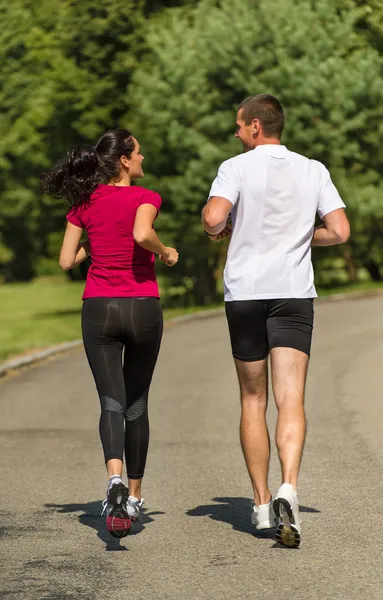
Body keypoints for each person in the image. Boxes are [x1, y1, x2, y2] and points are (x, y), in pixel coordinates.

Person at [202, 94, 350, 548]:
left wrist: (217, 230)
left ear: (254, 128)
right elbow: (340, 230)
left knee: (253, 399)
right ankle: (289, 487)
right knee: (291, 398)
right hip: (292, 294)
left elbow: (213, 217)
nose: (235, 133)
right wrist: (304, 236)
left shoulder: (235, 167)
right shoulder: (314, 169)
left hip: (246, 293)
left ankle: (263, 503)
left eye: (238, 126)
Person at [41, 129, 178, 538]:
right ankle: (133, 499)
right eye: (138, 151)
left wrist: (94, 248)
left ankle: (113, 480)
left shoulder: (84, 203)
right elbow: (141, 234)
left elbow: (67, 260)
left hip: (98, 309)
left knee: (110, 401)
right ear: (124, 160)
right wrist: (165, 251)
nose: (142, 156)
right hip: (142, 307)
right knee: (136, 403)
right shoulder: (146, 197)